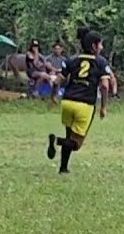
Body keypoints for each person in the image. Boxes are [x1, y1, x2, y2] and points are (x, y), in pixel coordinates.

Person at [47, 30, 112, 174]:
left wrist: (53, 96)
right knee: (76, 144)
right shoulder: (101, 62)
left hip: (68, 101)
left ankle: (63, 168)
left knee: (69, 135)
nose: (102, 47)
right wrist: (104, 107)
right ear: (94, 46)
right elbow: (105, 86)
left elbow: (57, 80)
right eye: (100, 44)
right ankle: (56, 140)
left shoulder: (72, 60)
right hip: (85, 104)